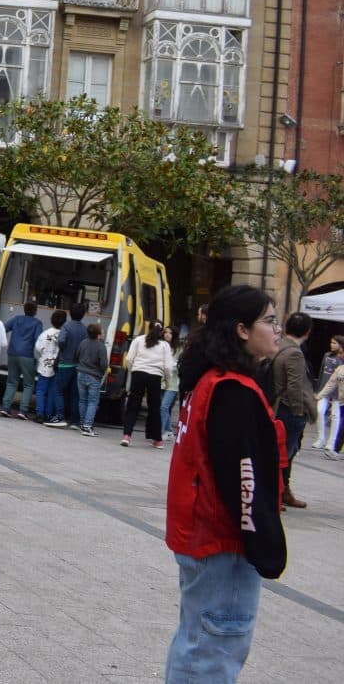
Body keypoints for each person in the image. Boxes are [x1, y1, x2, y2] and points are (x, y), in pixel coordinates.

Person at [164, 285, 285, 683]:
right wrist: (265, 545)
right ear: (242, 330)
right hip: (224, 544)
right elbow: (244, 477)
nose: (277, 328)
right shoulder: (232, 389)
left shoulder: (210, 381)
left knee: (195, 644)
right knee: (213, 654)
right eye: (269, 320)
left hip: (202, 537)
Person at [270, 312, 317, 508]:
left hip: (277, 406)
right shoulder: (295, 353)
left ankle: (284, 491)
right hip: (289, 410)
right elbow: (295, 386)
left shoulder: (278, 346)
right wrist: (299, 412)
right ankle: (275, 493)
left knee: (282, 454)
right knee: (284, 456)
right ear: (307, 331)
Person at [120, 320, 174, 448]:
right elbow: (167, 366)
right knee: (154, 408)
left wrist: (133, 369)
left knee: (133, 405)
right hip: (155, 377)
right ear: (161, 332)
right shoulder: (164, 345)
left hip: (138, 374)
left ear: (147, 328)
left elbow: (128, 359)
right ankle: (157, 440)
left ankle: (127, 436)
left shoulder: (138, 340)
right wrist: (167, 380)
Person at [1, 300, 42, 419]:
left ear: (24, 309)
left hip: (12, 353)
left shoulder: (16, 318)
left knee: (11, 381)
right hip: (27, 355)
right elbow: (38, 339)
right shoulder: (37, 323)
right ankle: (23, 411)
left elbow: (4, 328)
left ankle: (5, 408)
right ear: (35, 311)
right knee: (28, 384)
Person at [51, 302, 88, 427]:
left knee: (58, 390)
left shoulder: (66, 326)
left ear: (70, 313)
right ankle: (75, 421)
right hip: (78, 365)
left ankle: (60, 417)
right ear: (83, 314)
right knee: (75, 393)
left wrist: (64, 348)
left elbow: (61, 340)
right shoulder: (85, 329)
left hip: (65, 363)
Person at [313, 334, 344, 460]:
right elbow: (330, 382)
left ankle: (332, 444)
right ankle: (322, 439)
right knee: (320, 411)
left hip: (339, 397)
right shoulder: (328, 357)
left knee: (337, 418)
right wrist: (319, 393)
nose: (332, 345)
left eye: (334, 343)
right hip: (331, 392)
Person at [74, 322, 108, 436]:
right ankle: (88, 426)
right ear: (98, 335)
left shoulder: (83, 342)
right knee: (92, 402)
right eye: (102, 332)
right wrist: (102, 372)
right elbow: (104, 364)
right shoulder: (101, 346)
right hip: (94, 376)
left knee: (82, 400)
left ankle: (83, 423)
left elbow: (77, 355)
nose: (103, 334)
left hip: (81, 373)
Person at [34, 310, 66, 425]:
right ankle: (48, 414)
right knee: (53, 391)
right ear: (64, 322)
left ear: (51, 320)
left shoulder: (46, 333)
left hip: (44, 364)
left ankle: (39, 414)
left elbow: (38, 348)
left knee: (41, 390)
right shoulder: (63, 334)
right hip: (58, 366)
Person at [160, 327, 182, 437]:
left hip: (173, 382)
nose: (167, 335)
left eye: (170, 333)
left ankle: (159, 433)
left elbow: (179, 365)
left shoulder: (178, 349)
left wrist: (169, 365)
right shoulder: (159, 345)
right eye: (165, 332)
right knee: (163, 407)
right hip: (161, 380)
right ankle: (168, 431)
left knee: (164, 407)